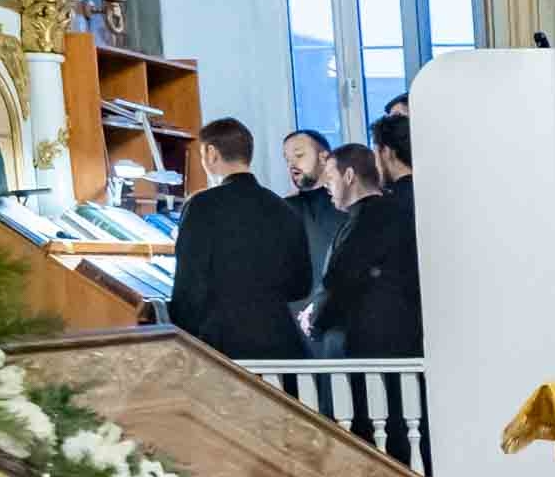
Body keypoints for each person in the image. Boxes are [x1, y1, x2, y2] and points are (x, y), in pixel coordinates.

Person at [166, 117, 315, 363]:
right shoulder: (284, 208)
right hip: (283, 344)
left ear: (211, 153)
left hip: (225, 347)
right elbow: (301, 285)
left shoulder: (202, 206)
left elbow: (189, 286)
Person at [311, 137, 426, 360]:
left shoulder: (365, 221)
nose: (326, 185)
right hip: (400, 341)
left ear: (349, 176)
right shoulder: (393, 212)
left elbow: (342, 279)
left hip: (369, 344)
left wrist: (316, 321)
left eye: (330, 178)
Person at [283, 127, 348, 289]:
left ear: (323, 157)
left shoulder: (349, 204)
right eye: (287, 159)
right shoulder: (283, 209)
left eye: (299, 155)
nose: (292, 165)